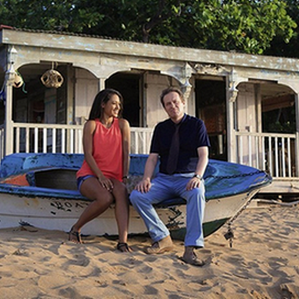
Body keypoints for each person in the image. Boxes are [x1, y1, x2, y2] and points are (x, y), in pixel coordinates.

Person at [130, 87, 210, 266]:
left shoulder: (197, 125)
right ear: (165, 108)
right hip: (164, 179)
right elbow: (152, 158)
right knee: (137, 196)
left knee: (197, 193)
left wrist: (198, 176)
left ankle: (190, 249)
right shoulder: (161, 128)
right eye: (168, 104)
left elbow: (203, 155)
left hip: (188, 178)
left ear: (183, 103)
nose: (172, 106)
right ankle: (163, 237)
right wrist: (146, 179)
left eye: (175, 102)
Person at [69, 88, 132, 252]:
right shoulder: (91, 125)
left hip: (114, 177)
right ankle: (76, 228)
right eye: (113, 103)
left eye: (119, 104)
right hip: (89, 175)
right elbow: (88, 155)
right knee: (105, 198)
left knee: (122, 193)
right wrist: (101, 177)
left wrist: (124, 177)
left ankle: (122, 242)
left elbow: (126, 154)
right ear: (103, 104)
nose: (117, 107)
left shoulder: (123, 124)